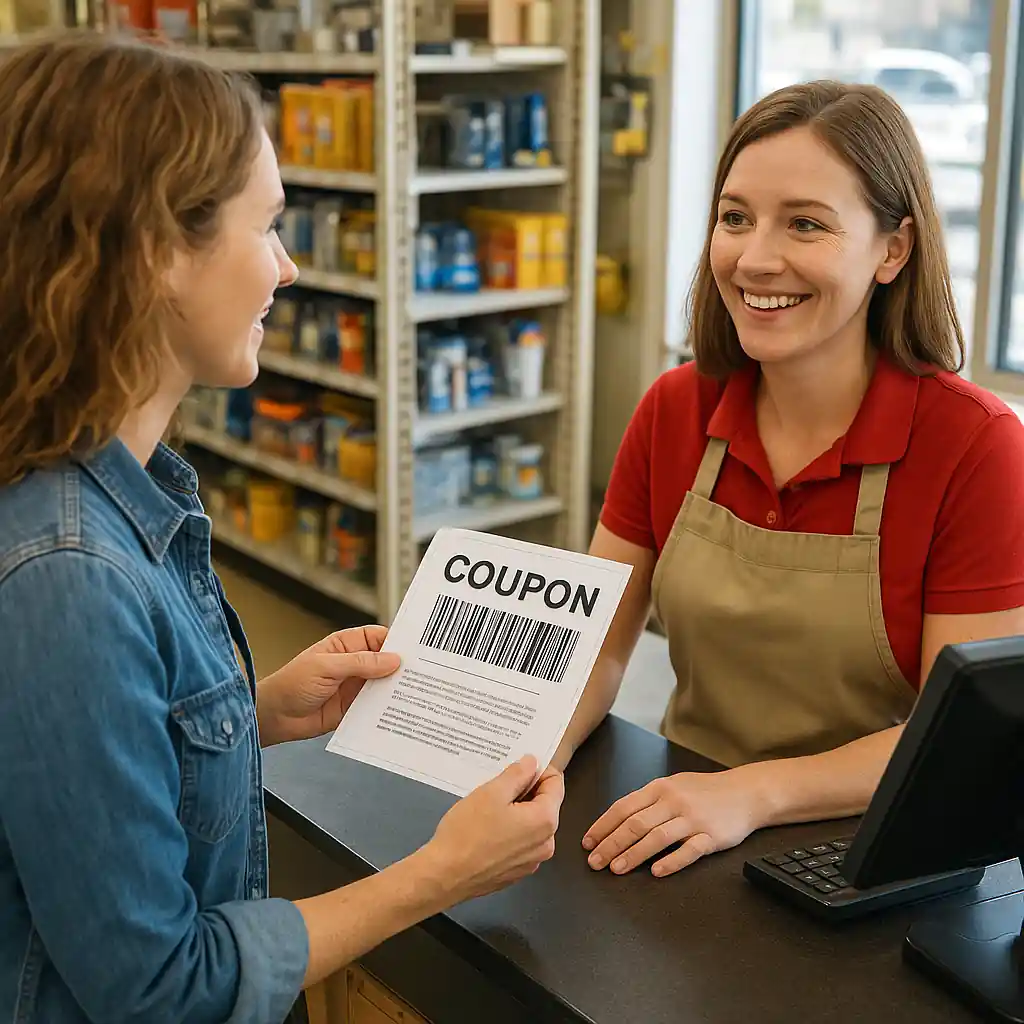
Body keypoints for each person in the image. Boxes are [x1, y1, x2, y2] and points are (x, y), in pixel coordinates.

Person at [0, 34, 563, 1024]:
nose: (290, 267)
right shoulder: (69, 569)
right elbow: (159, 992)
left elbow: (64, 771)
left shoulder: (111, 494)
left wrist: (247, 716)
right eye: (267, 228)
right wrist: (441, 873)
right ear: (159, 250)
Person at [550, 80, 1024, 879]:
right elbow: (592, 653)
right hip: (684, 818)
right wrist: (534, 756)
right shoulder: (675, 409)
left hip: (877, 857)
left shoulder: (975, 448)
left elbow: (954, 746)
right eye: (735, 218)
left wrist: (753, 794)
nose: (755, 258)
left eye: (805, 223)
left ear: (892, 250)